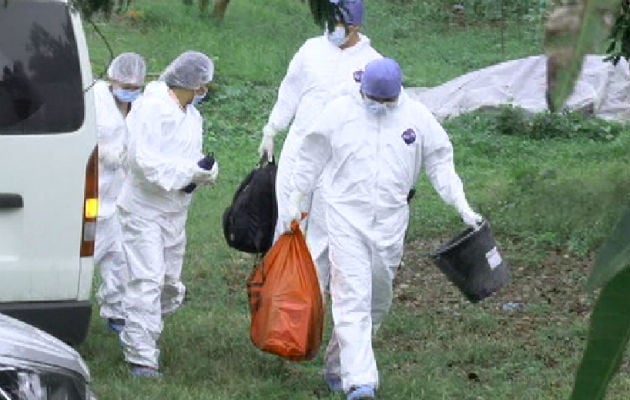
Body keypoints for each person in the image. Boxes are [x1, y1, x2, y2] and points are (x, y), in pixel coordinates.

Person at [287, 58, 483, 400]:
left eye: (385, 102)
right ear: (362, 90)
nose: (378, 107)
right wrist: (296, 198)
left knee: (377, 299)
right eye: (372, 101)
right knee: (352, 297)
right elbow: (310, 156)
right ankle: (360, 383)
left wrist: (461, 205)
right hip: (346, 216)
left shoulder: (416, 117)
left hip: (391, 222)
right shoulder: (340, 112)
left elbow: (439, 160)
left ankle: (338, 364)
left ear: (397, 95)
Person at [257, 0, 381, 295]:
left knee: (324, 229)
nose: (332, 29)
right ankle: (278, 288)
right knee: (288, 213)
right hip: (300, 147)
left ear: (356, 26)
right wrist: (272, 129)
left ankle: (311, 295)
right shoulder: (311, 50)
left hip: (338, 158)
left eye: (339, 24)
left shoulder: (372, 63)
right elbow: (290, 91)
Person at [116, 50, 218, 377]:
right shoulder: (151, 108)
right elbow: (143, 161)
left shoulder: (192, 116)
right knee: (146, 279)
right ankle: (141, 356)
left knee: (169, 285)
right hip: (144, 208)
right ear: (190, 82)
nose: (205, 91)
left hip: (175, 211)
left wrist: (204, 170)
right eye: (202, 84)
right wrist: (187, 173)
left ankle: (139, 323)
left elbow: (189, 157)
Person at [93, 52, 146, 334]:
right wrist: (105, 154)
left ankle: (116, 310)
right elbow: (80, 137)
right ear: (111, 78)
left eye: (136, 87)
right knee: (89, 252)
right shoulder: (95, 99)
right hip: (92, 188)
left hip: (121, 193)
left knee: (120, 256)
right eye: (125, 85)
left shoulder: (138, 107)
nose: (130, 91)